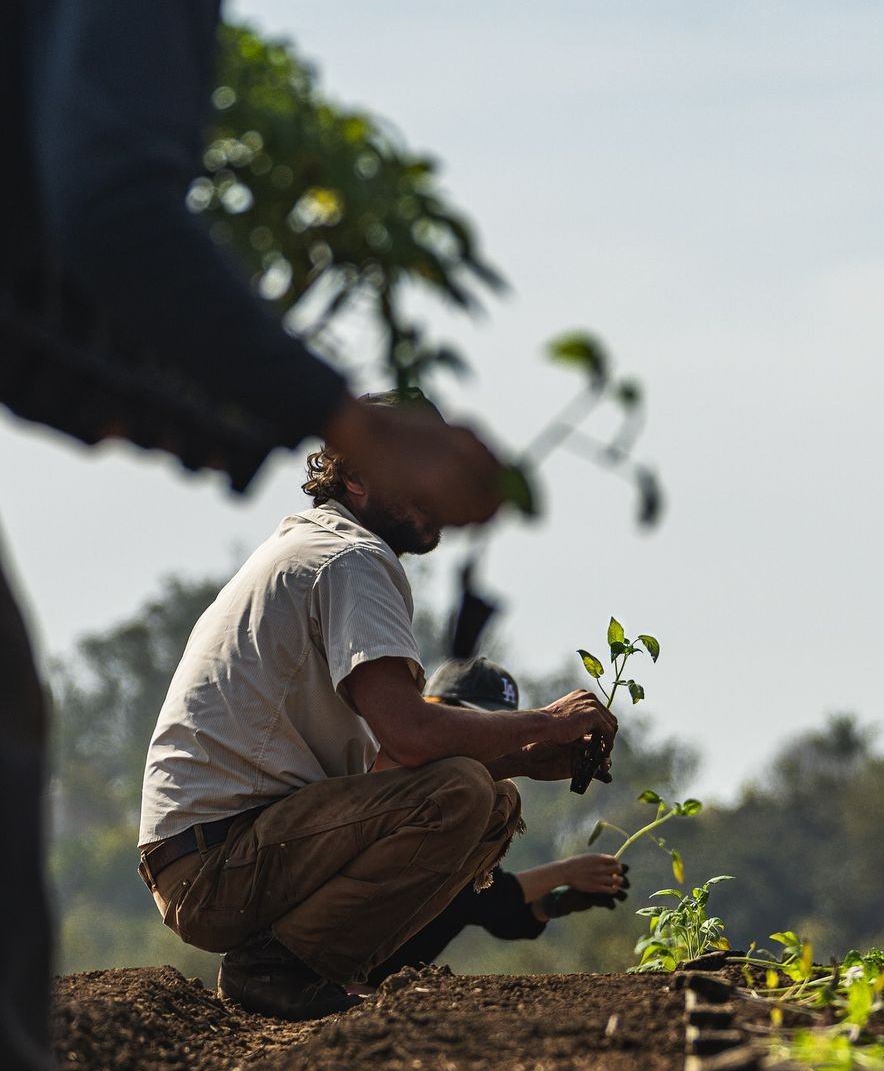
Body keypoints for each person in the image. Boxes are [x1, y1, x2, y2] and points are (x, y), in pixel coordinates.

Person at [0, 0, 506, 1071]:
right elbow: (114, 212)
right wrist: (336, 414)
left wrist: (222, 417)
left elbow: (32, 315)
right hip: (223, 863)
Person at [137, 434, 618, 1021]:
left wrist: (525, 755)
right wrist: (547, 721)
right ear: (357, 479)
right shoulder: (352, 559)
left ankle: (305, 967)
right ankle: (275, 970)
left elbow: (386, 769)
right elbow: (409, 736)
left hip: (212, 857)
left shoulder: (318, 547)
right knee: (464, 792)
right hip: (219, 862)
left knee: (493, 799)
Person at [362, 658, 631, 983]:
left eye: (496, 729)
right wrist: (565, 872)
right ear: (438, 714)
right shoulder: (383, 765)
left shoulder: (478, 811)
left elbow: (486, 906)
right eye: (474, 724)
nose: (487, 741)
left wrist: (554, 902)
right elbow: (482, 898)